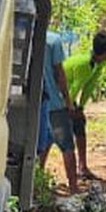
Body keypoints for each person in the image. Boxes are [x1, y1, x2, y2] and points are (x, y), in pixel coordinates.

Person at [62, 30, 106, 181]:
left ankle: (83, 167)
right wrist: (70, 108)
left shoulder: (99, 62)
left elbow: (89, 86)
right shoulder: (85, 64)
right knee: (57, 131)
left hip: (69, 96)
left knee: (79, 124)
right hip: (59, 93)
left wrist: (80, 107)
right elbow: (73, 89)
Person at [38, 30, 79, 194]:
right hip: (54, 102)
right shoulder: (53, 40)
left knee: (40, 145)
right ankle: (74, 187)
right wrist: (68, 101)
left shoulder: (23, 35)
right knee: (67, 145)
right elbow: (59, 73)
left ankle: (36, 185)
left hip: (34, 104)